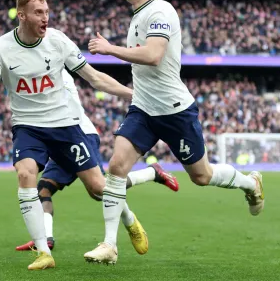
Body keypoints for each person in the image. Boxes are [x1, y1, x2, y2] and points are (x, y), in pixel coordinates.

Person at [84, 0, 265, 265]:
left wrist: (110, 48)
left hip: (174, 111)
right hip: (143, 108)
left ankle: (251, 183)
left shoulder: (161, 11)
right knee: (116, 167)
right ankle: (109, 245)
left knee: (202, 176)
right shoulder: (139, 15)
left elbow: (154, 56)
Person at [0, 0, 148, 270]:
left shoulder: (57, 41)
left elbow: (93, 77)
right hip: (27, 126)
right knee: (25, 174)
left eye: (47, 12)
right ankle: (44, 252)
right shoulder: (0, 47)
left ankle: (130, 219)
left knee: (97, 188)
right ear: (21, 15)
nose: (45, 17)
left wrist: (131, 94)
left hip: (65, 125)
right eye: (38, 12)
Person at [15, 69, 180, 252]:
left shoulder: (54, 70)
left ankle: (146, 184)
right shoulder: (34, 69)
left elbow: (93, 80)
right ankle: (46, 239)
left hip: (78, 134)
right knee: (43, 190)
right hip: (57, 139)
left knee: (99, 189)